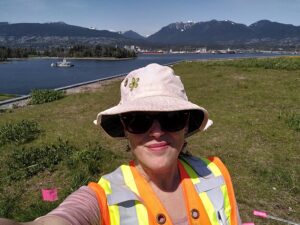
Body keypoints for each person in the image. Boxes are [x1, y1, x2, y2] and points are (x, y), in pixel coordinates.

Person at [0, 63, 241, 225]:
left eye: (172, 118)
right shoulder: (103, 196)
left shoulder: (217, 175)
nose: (156, 132)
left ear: (187, 125)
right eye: (138, 121)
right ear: (125, 129)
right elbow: (65, 217)